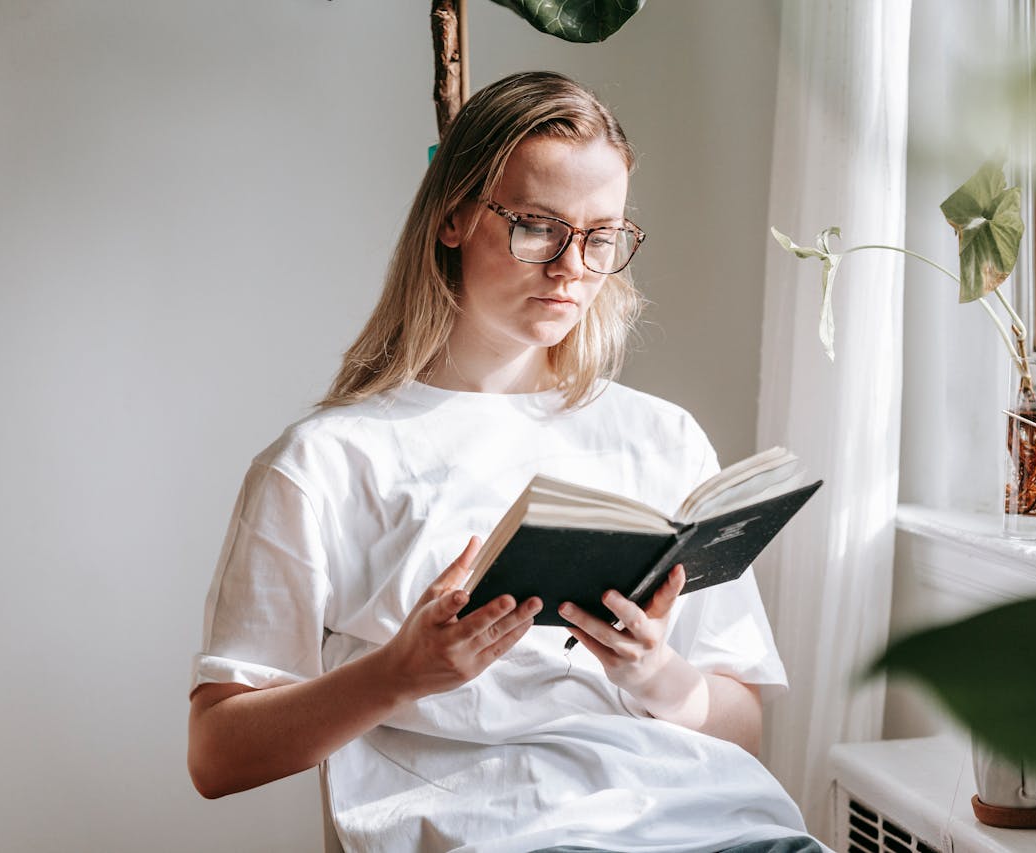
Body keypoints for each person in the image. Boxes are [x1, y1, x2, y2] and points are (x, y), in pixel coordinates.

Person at [188, 70, 824, 853]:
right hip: (500, 830)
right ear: (453, 215)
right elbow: (217, 753)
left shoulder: (664, 439)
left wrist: (654, 672)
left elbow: (742, 728)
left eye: (600, 237)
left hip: (707, 820)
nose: (572, 269)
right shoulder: (325, 464)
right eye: (537, 227)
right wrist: (397, 672)